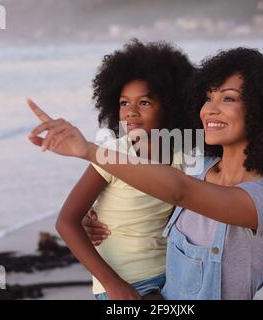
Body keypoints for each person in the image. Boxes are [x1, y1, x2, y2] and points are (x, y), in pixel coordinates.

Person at [27, 48, 263, 299]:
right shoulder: (199, 165)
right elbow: (157, 183)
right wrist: (101, 215)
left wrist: (90, 150)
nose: (210, 109)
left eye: (228, 99)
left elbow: (180, 190)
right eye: (208, 97)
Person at [30, 39, 194, 300]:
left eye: (144, 103)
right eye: (123, 103)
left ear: (170, 104)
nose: (130, 112)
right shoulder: (111, 154)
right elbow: (66, 222)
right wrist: (112, 284)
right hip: (125, 284)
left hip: (172, 276)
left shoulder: (184, 155)